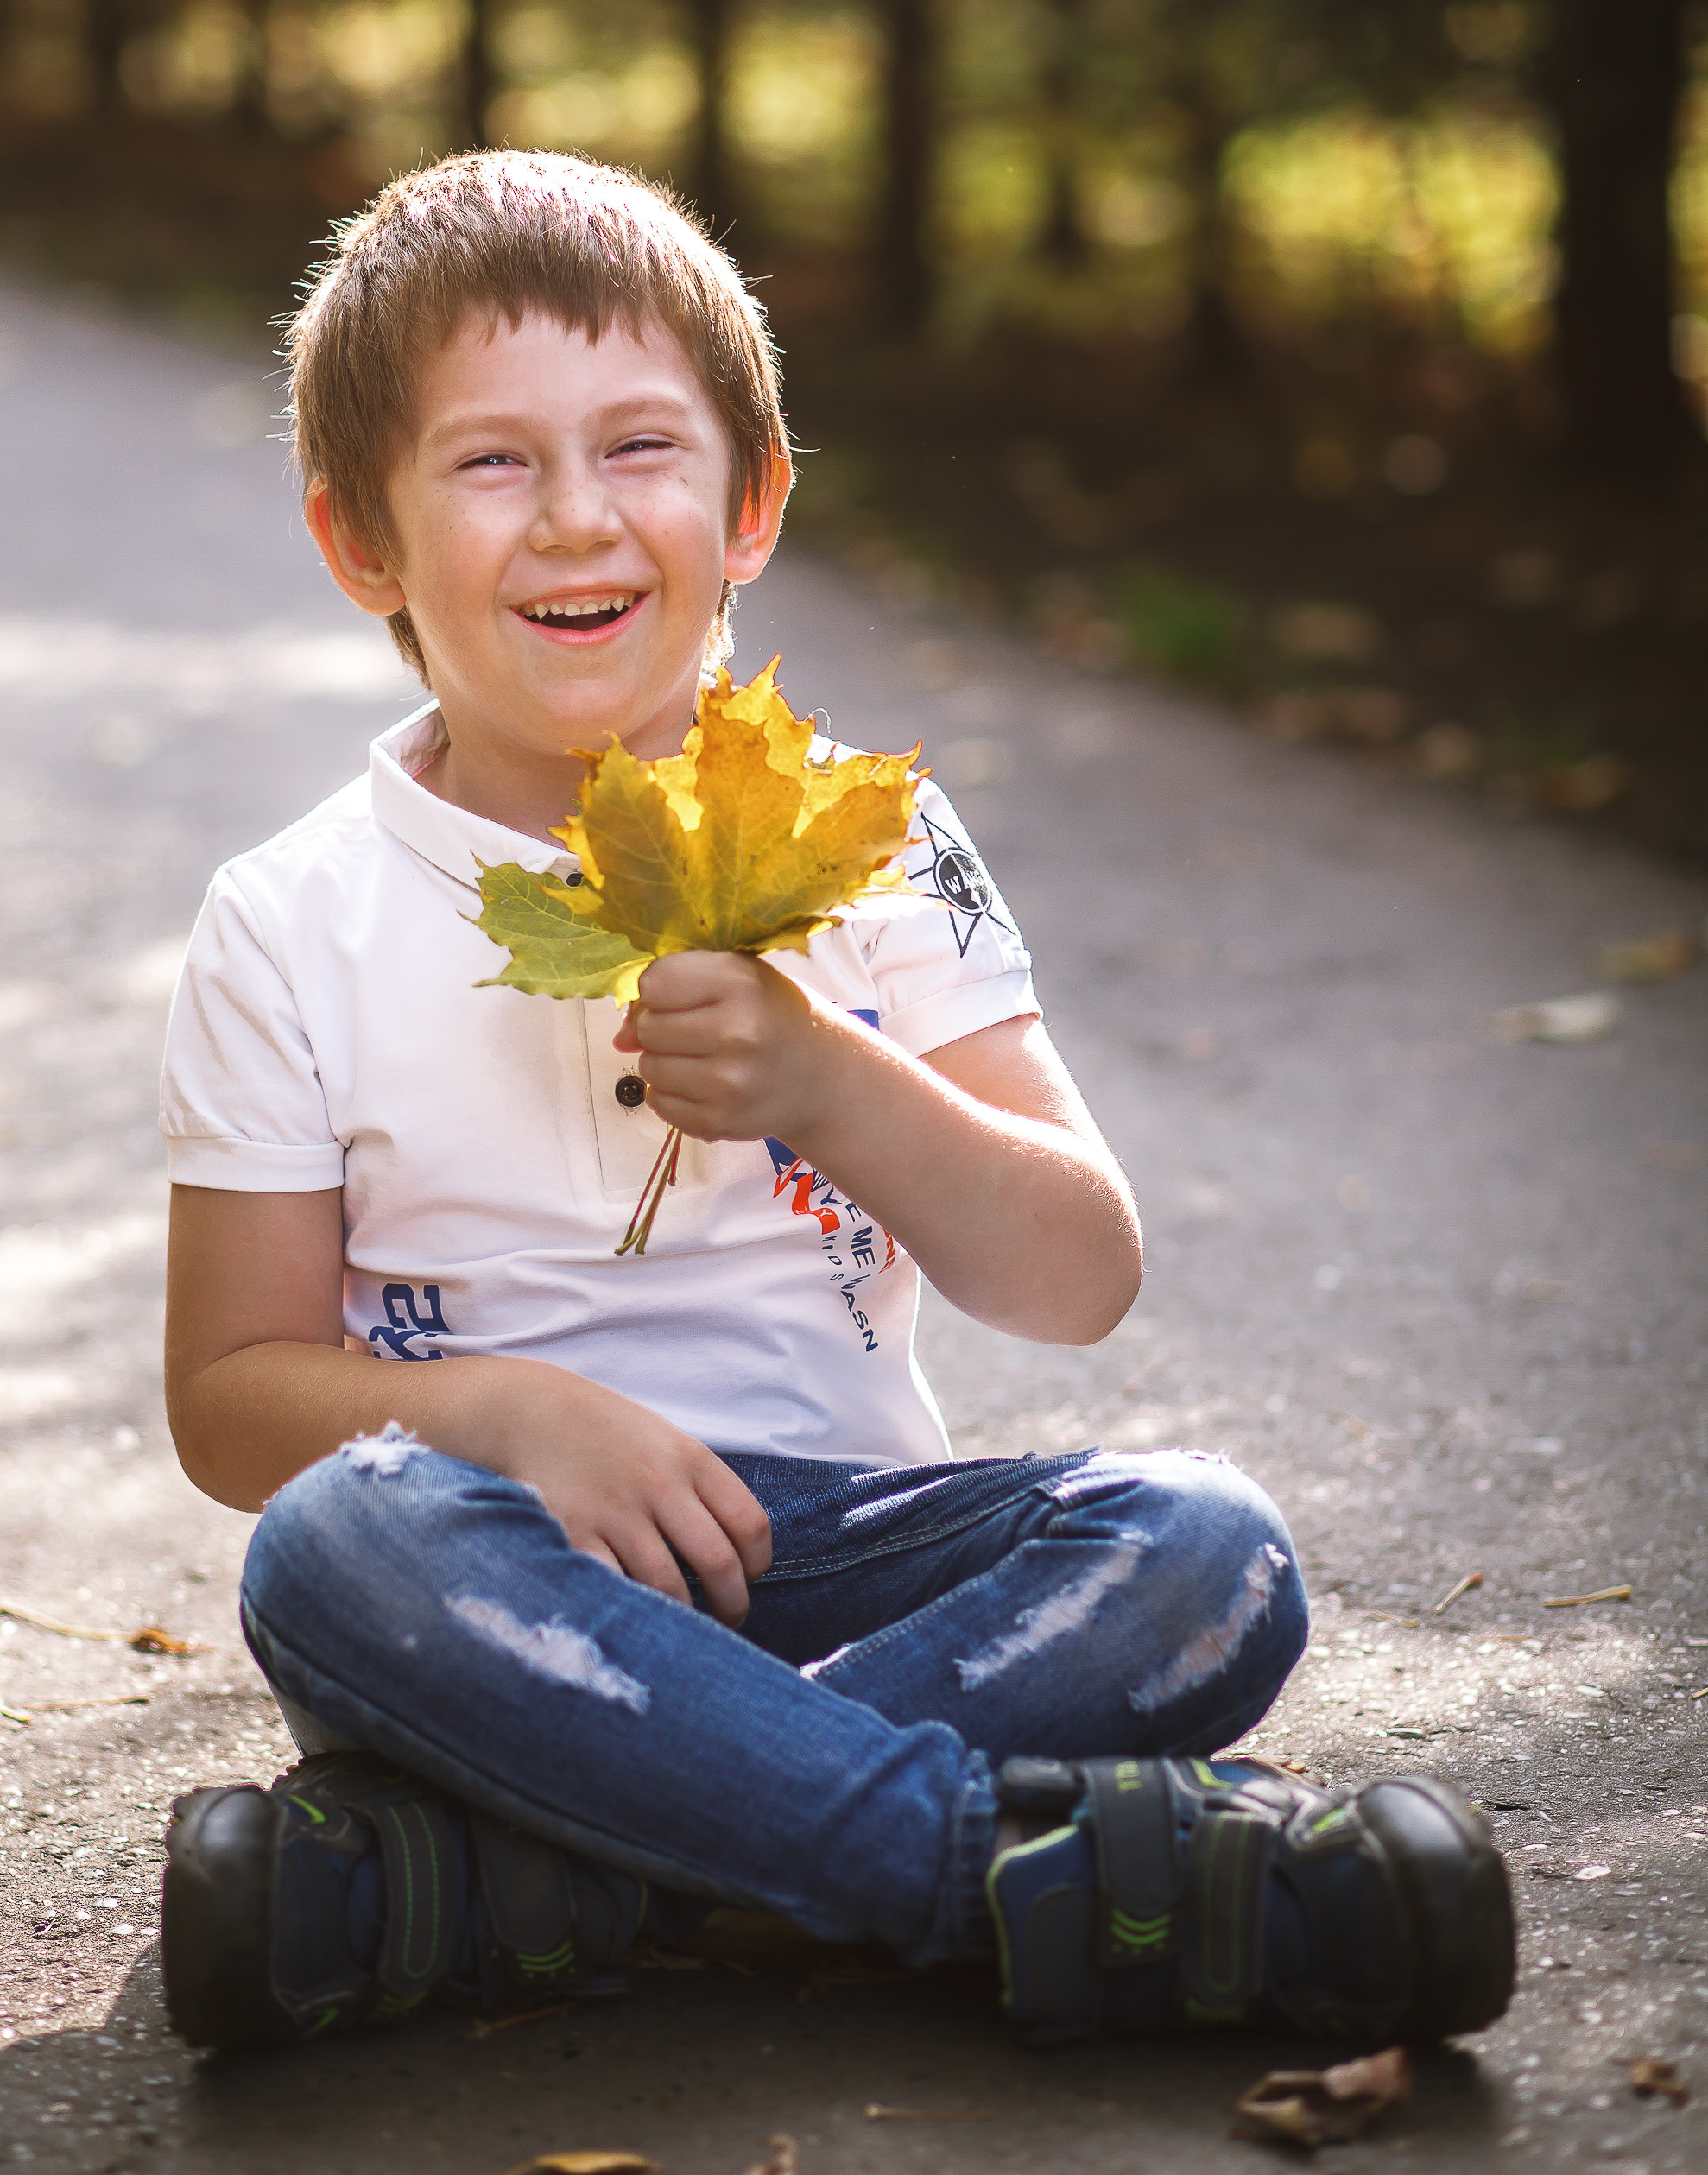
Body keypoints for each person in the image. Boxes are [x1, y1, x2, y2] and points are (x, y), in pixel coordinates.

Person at [155, 149, 1513, 2054]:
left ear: (755, 502)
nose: (576, 518)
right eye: (491, 462)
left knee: (1207, 1547)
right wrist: (513, 1419)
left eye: (641, 447)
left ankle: (535, 1886)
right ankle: (1065, 1882)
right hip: (508, 1602)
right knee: (330, 1546)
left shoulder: (875, 844)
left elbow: (1077, 1276)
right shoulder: (291, 919)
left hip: (864, 1570)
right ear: (360, 542)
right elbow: (233, 1402)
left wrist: (827, 1078)